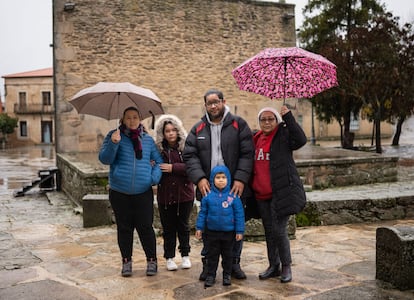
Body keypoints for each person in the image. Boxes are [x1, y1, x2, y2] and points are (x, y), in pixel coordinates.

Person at [183, 88, 254, 280]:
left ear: (223, 101)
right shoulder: (198, 128)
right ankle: (208, 266)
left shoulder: (239, 124)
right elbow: (189, 155)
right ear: (205, 105)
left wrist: (240, 178)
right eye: (209, 103)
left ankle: (234, 265)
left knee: (234, 228)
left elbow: (248, 153)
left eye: (216, 102)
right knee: (208, 228)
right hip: (208, 190)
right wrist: (199, 178)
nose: (213, 106)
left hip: (234, 188)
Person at [99, 106, 163, 277]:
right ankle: (126, 261)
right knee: (124, 228)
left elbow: (158, 162)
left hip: (143, 192)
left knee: (145, 228)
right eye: (128, 118)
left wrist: (153, 178)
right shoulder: (114, 136)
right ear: (123, 120)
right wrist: (113, 143)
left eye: (135, 117)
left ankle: (152, 260)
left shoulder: (147, 140)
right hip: (119, 192)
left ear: (140, 119)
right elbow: (105, 159)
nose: (132, 121)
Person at [251, 106, 307, 283]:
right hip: (261, 193)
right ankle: (273, 265)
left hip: (280, 192)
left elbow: (301, 139)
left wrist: (288, 117)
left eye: (271, 119)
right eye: (263, 119)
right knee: (269, 231)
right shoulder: (256, 138)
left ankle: (286, 266)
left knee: (278, 230)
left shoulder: (283, 136)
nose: (267, 122)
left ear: (276, 121)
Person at [154, 114, 195, 271]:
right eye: (167, 131)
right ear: (162, 133)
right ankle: (169, 257)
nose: (171, 133)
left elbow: (192, 168)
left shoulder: (186, 148)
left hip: (184, 195)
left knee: (183, 226)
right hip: (165, 196)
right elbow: (154, 166)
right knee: (168, 228)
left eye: (173, 130)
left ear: (178, 131)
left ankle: (185, 255)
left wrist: (173, 167)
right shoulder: (159, 151)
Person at [195, 165, 245, 288]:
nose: (221, 180)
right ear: (212, 179)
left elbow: (239, 215)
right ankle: (211, 275)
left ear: (228, 179)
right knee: (213, 255)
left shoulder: (234, 197)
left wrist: (239, 230)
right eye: (218, 177)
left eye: (223, 177)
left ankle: (227, 275)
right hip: (212, 232)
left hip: (229, 233)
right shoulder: (208, 197)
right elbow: (202, 213)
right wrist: (199, 228)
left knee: (228, 256)